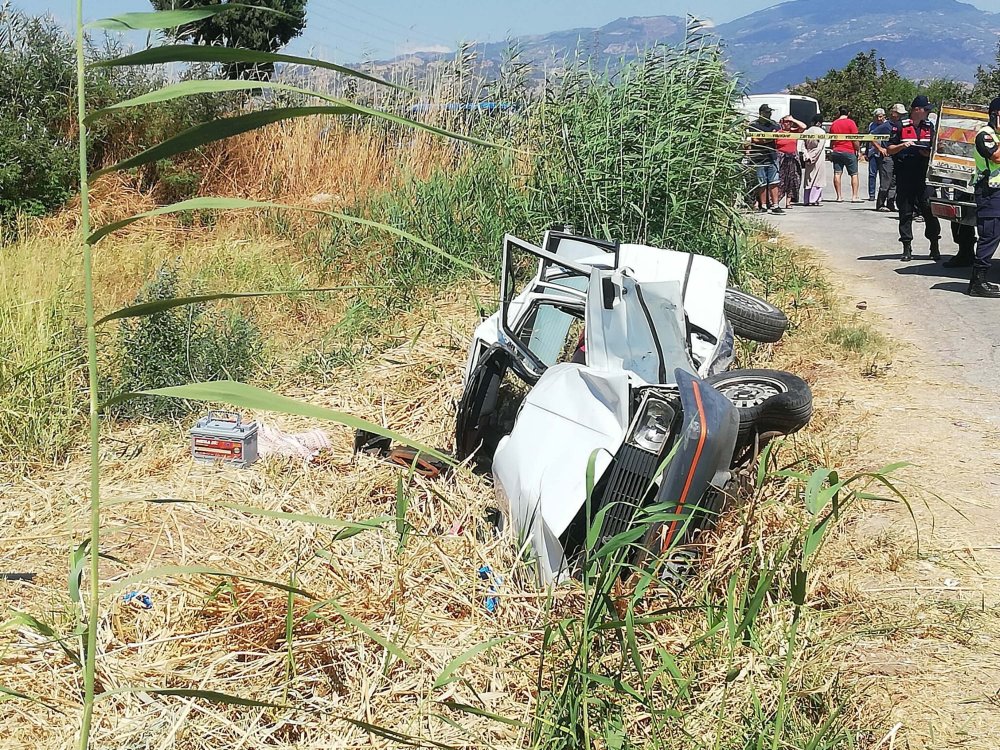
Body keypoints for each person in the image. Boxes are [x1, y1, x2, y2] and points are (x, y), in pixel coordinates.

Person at [886, 95, 941, 262]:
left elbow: (936, 149)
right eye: (926, 109)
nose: (928, 112)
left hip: (924, 175)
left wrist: (928, 153)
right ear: (917, 110)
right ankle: (906, 247)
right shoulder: (899, 127)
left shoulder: (930, 127)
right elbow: (889, 149)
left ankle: (934, 245)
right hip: (905, 173)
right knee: (905, 211)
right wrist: (903, 145)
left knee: (929, 210)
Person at [966, 96, 1000, 297]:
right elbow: (996, 156)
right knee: (989, 235)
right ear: (996, 114)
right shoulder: (985, 135)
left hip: (997, 192)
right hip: (989, 192)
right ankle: (977, 283)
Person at [747, 104, 783, 214]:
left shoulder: (774, 124)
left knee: (774, 182)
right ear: (761, 113)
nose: (769, 114)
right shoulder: (753, 125)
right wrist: (769, 138)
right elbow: (756, 140)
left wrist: (766, 138)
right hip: (758, 157)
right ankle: (763, 205)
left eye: (770, 112)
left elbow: (777, 135)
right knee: (761, 183)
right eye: (767, 112)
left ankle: (775, 205)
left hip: (772, 156)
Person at [873, 103, 906, 211]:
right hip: (887, 157)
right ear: (893, 113)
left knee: (894, 182)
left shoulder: (902, 125)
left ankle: (891, 204)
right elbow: (871, 136)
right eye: (899, 114)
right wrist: (879, 148)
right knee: (886, 182)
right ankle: (880, 204)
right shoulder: (886, 125)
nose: (901, 116)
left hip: (898, 156)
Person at [829, 106, 860, 202]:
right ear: (849, 113)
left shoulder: (834, 123)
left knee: (837, 173)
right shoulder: (851, 123)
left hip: (837, 150)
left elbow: (832, 139)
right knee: (854, 174)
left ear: (839, 113)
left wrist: (832, 149)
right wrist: (857, 149)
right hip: (849, 150)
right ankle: (854, 196)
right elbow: (855, 139)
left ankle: (839, 196)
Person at [774, 115, 806, 208]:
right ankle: (775, 201)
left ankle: (789, 202)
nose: (787, 124)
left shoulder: (794, 132)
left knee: (793, 180)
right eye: (785, 122)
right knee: (780, 180)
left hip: (792, 157)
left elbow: (803, 127)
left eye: (789, 122)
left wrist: (793, 119)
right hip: (781, 158)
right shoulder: (778, 133)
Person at [802, 114, 827, 205]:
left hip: (808, 155)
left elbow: (802, 146)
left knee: (809, 178)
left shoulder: (806, 131)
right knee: (818, 178)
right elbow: (820, 147)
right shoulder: (821, 132)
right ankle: (814, 199)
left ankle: (807, 199)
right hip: (818, 157)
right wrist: (813, 157)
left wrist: (807, 156)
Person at [866, 108, 887, 201]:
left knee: (884, 176)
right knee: (872, 174)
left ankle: (883, 195)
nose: (878, 119)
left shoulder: (887, 125)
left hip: (884, 153)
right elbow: (869, 138)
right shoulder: (872, 125)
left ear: (884, 116)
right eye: (877, 117)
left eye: (880, 116)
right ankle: (871, 195)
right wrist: (866, 152)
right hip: (873, 152)